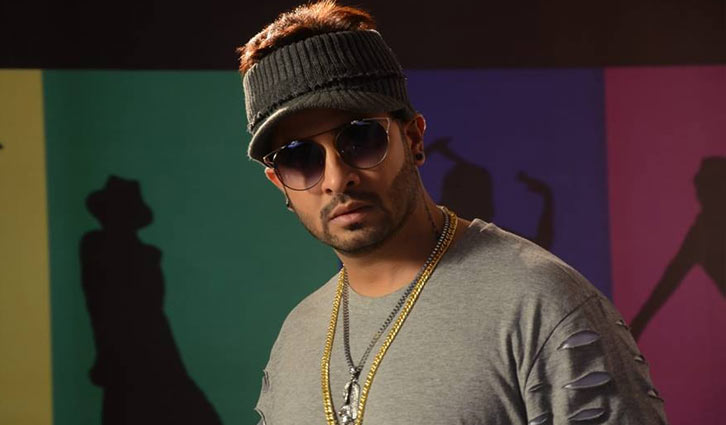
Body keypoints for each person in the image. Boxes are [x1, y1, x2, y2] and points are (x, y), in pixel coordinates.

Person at [238, 1, 668, 424]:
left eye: (361, 138)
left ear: (413, 138)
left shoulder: (540, 303)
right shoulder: (296, 337)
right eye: (300, 158)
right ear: (279, 183)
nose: (336, 178)